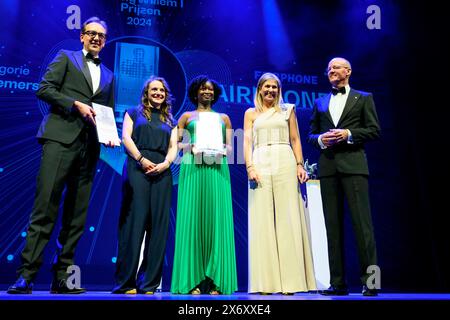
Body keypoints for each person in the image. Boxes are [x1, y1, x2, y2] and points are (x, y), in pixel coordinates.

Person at [7, 17, 116, 294]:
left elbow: (106, 112)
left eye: (101, 36)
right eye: (91, 33)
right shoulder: (66, 58)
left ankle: (63, 279)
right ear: (81, 36)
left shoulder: (109, 74)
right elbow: (44, 89)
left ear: (104, 41)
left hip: (90, 148)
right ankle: (26, 276)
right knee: (45, 208)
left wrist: (109, 135)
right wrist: (75, 104)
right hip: (59, 140)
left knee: (76, 217)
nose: (96, 38)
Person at [308, 57, 381, 296]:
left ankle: (371, 282)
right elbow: (311, 134)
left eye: (336, 67)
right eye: (328, 68)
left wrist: (348, 133)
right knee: (333, 227)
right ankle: (337, 283)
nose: (331, 70)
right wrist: (320, 139)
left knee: (363, 226)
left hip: (354, 166)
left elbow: (373, 130)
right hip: (328, 168)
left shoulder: (364, 98)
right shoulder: (320, 101)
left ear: (348, 71)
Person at [243, 72, 317, 295]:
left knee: (288, 217)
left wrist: (299, 165)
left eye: (274, 87)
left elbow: (295, 139)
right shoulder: (251, 113)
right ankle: (266, 283)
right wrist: (250, 167)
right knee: (262, 218)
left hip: (284, 159)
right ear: (259, 89)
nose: (270, 90)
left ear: (279, 90)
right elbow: (246, 142)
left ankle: (291, 282)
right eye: (266, 86)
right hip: (261, 161)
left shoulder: (288, 110)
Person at [171, 75, 237, 295]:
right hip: (193, 168)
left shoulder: (224, 118)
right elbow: (176, 144)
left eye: (210, 89)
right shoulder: (186, 116)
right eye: (202, 89)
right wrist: (191, 147)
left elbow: (230, 148)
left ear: (215, 93)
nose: (207, 92)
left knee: (217, 222)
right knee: (193, 221)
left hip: (217, 169)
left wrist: (220, 151)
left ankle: (216, 280)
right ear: (195, 92)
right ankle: (192, 281)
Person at [112, 77, 178, 294]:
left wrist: (165, 164)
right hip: (137, 167)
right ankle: (126, 282)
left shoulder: (171, 120)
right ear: (146, 92)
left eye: (161, 90)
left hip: (161, 171)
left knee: (158, 227)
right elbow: (126, 138)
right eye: (154, 89)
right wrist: (141, 159)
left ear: (165, 94)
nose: (158, 93)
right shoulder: (133, 112)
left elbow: (173, 147)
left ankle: (148, 283)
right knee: (134, 222)